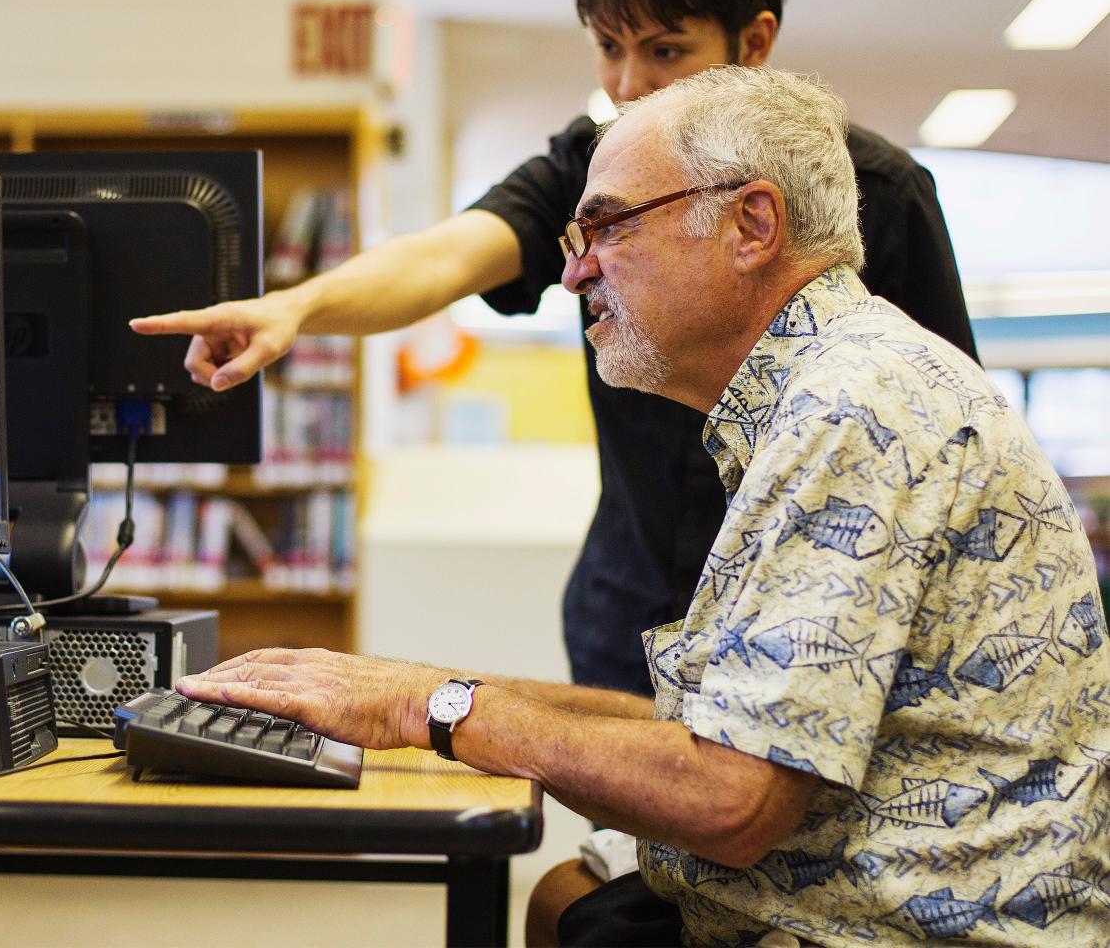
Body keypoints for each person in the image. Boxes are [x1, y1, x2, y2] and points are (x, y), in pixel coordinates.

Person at [175, 67, 1110, 946]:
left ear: (751, 226)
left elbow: (731, 801)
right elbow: (709, 729)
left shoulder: (855, 409)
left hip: (899, 926)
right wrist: (399, 686)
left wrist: (430, 705)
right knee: (563, 900)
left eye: (609, 227)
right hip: (868, 888)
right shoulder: (823, 390)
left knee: (568, 906)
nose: (575, 274)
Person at [131, 0, 978, 701]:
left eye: (666, 50)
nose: (629, 84)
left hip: (814, 621)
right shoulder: (592, 165)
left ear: (752, 43)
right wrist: (297, 306)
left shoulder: (878, 194)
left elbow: (947, 430)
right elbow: (447, 257)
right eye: (610, 47)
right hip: (633, 612)